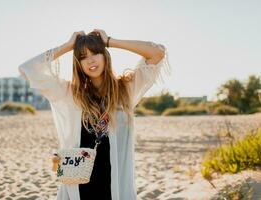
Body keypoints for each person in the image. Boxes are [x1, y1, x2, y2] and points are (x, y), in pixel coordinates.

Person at [18, 29, 171, 200]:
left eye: (96, 52)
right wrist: (68, 46)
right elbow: (27, 69)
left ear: (105, 55)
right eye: (83, 56)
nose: (90, 59)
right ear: (78, 63)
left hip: (114, 187)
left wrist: (110, 41)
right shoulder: (69, 93)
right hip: (78, 185)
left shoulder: (125, 90)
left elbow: (157, 52)